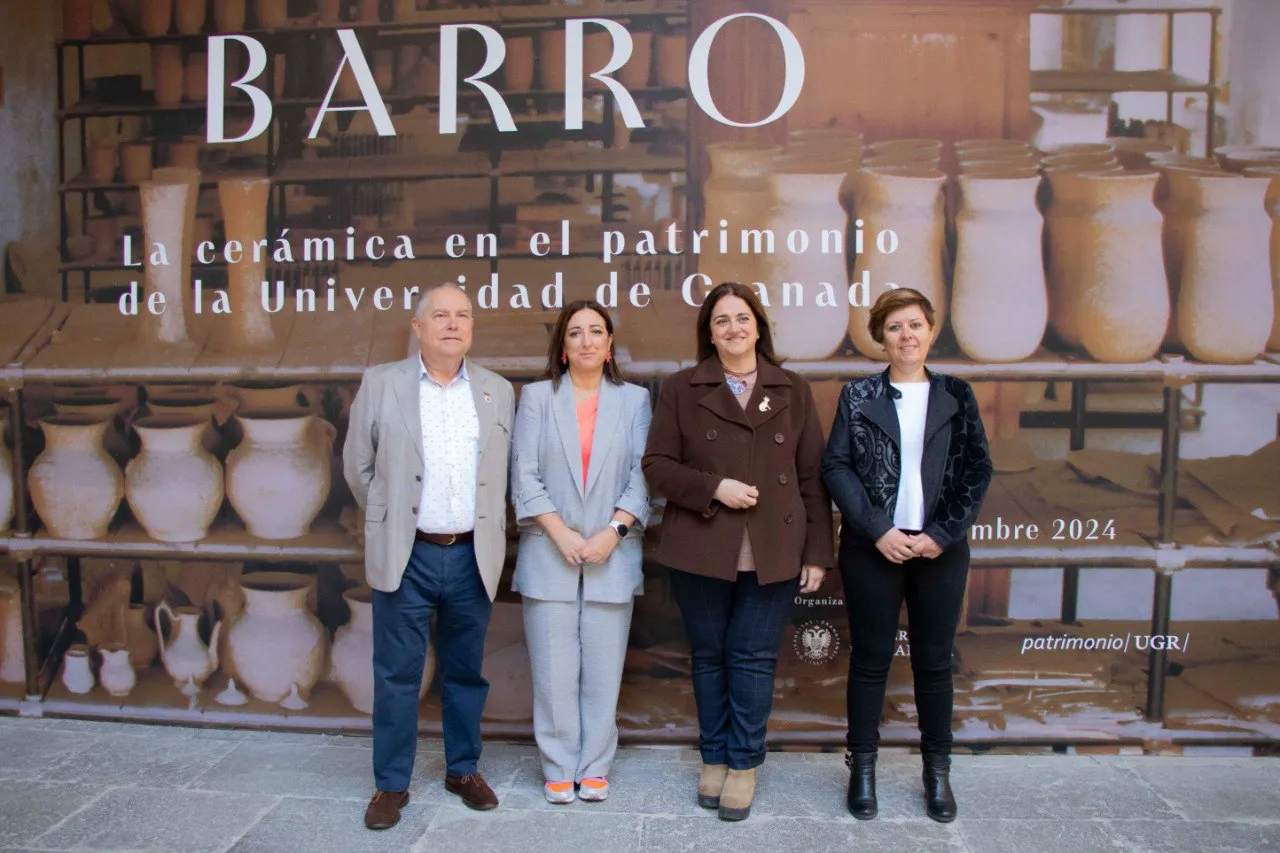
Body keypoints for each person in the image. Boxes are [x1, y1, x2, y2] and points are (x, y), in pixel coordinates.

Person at [642, 281, 834, 822]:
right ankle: (714, 756)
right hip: (702, 544)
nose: (733, 328)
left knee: (751, 658)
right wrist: (713, 487)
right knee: (709, 656)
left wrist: (818, 553)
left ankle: (744, 763)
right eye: (721, 320)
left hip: (775, 547)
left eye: (742, 317)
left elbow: (813, 477)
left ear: (758, 325)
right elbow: (656, 465)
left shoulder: (792, 388)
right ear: (709, 332)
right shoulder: (682, 387)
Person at [343, 282, 515, 831]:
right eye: (440, 315)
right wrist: (390, 517)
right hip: (408, 552)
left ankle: (462, 770)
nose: (452, 324)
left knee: (465, 672)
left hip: (471, 554)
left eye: (462, 315)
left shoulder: (496, 390)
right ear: (417, 327)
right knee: (397, 674)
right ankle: (391, 785)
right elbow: (358, 467)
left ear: (472, 327)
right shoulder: (381, 384)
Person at [821, 287, 992, 823]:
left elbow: (977, 470)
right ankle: (863, 769)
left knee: (934, 663)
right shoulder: (858, 396)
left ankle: (936, 772)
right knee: (870, 660)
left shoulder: (957, 395)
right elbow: (836, 467)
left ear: (932, 329)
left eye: (915, 324)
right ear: (880, 337)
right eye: (894, 327)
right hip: (875, 547)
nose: (906, 336)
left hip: (939, 547)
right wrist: (877, 529)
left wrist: (942, 533)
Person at [510, 300, 652, 805]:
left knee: (603, 668)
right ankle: (557, 764)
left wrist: (612, 532)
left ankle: (594, 766)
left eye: (597, 331)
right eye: (576, 333)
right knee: (553, 670)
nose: (587, 340)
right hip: (549, 551)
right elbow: (522, 473)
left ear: (610, 346)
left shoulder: (635, 401)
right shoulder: (536, 398)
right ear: (563, 348)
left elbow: (644, 475)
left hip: (613, 552)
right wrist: (560, 532)